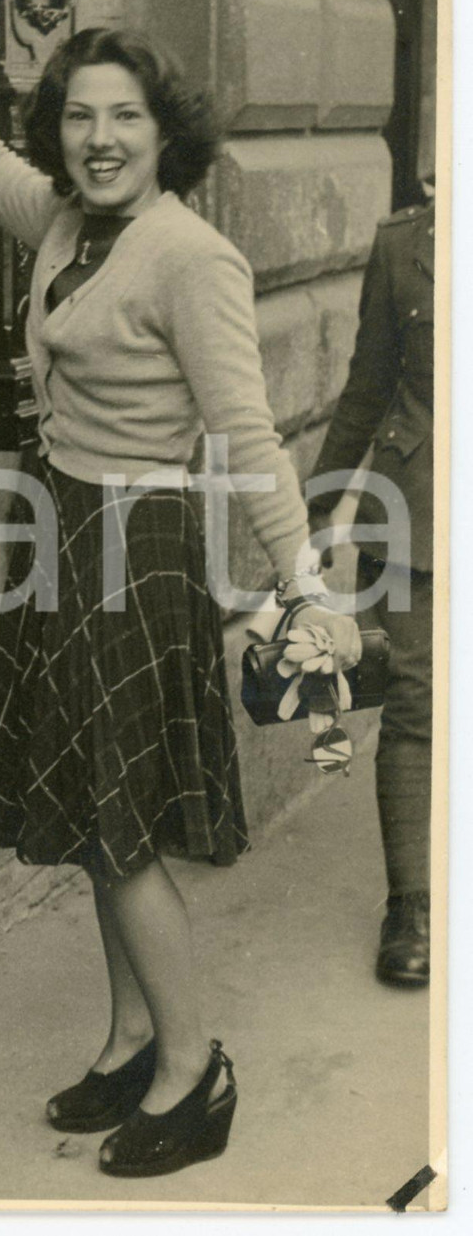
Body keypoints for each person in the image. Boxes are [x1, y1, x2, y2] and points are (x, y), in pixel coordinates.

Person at [0, 0, 361, 1179]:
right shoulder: (67, 222)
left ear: (162, 132)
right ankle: (131, 1037)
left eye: (124, 116)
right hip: (70, 530)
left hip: (140, 545)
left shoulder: (190, 257)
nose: (98, 138)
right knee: (87, 811)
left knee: (119, 824)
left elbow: (247, 438)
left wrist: (306, 591)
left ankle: (195, 1067)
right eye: (79, 116)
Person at [308, 192, 435, 987]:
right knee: (415, 699)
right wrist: (316, 504)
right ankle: (412, 905)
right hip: (416, 498)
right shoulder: (402, 246)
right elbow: (367, 384)